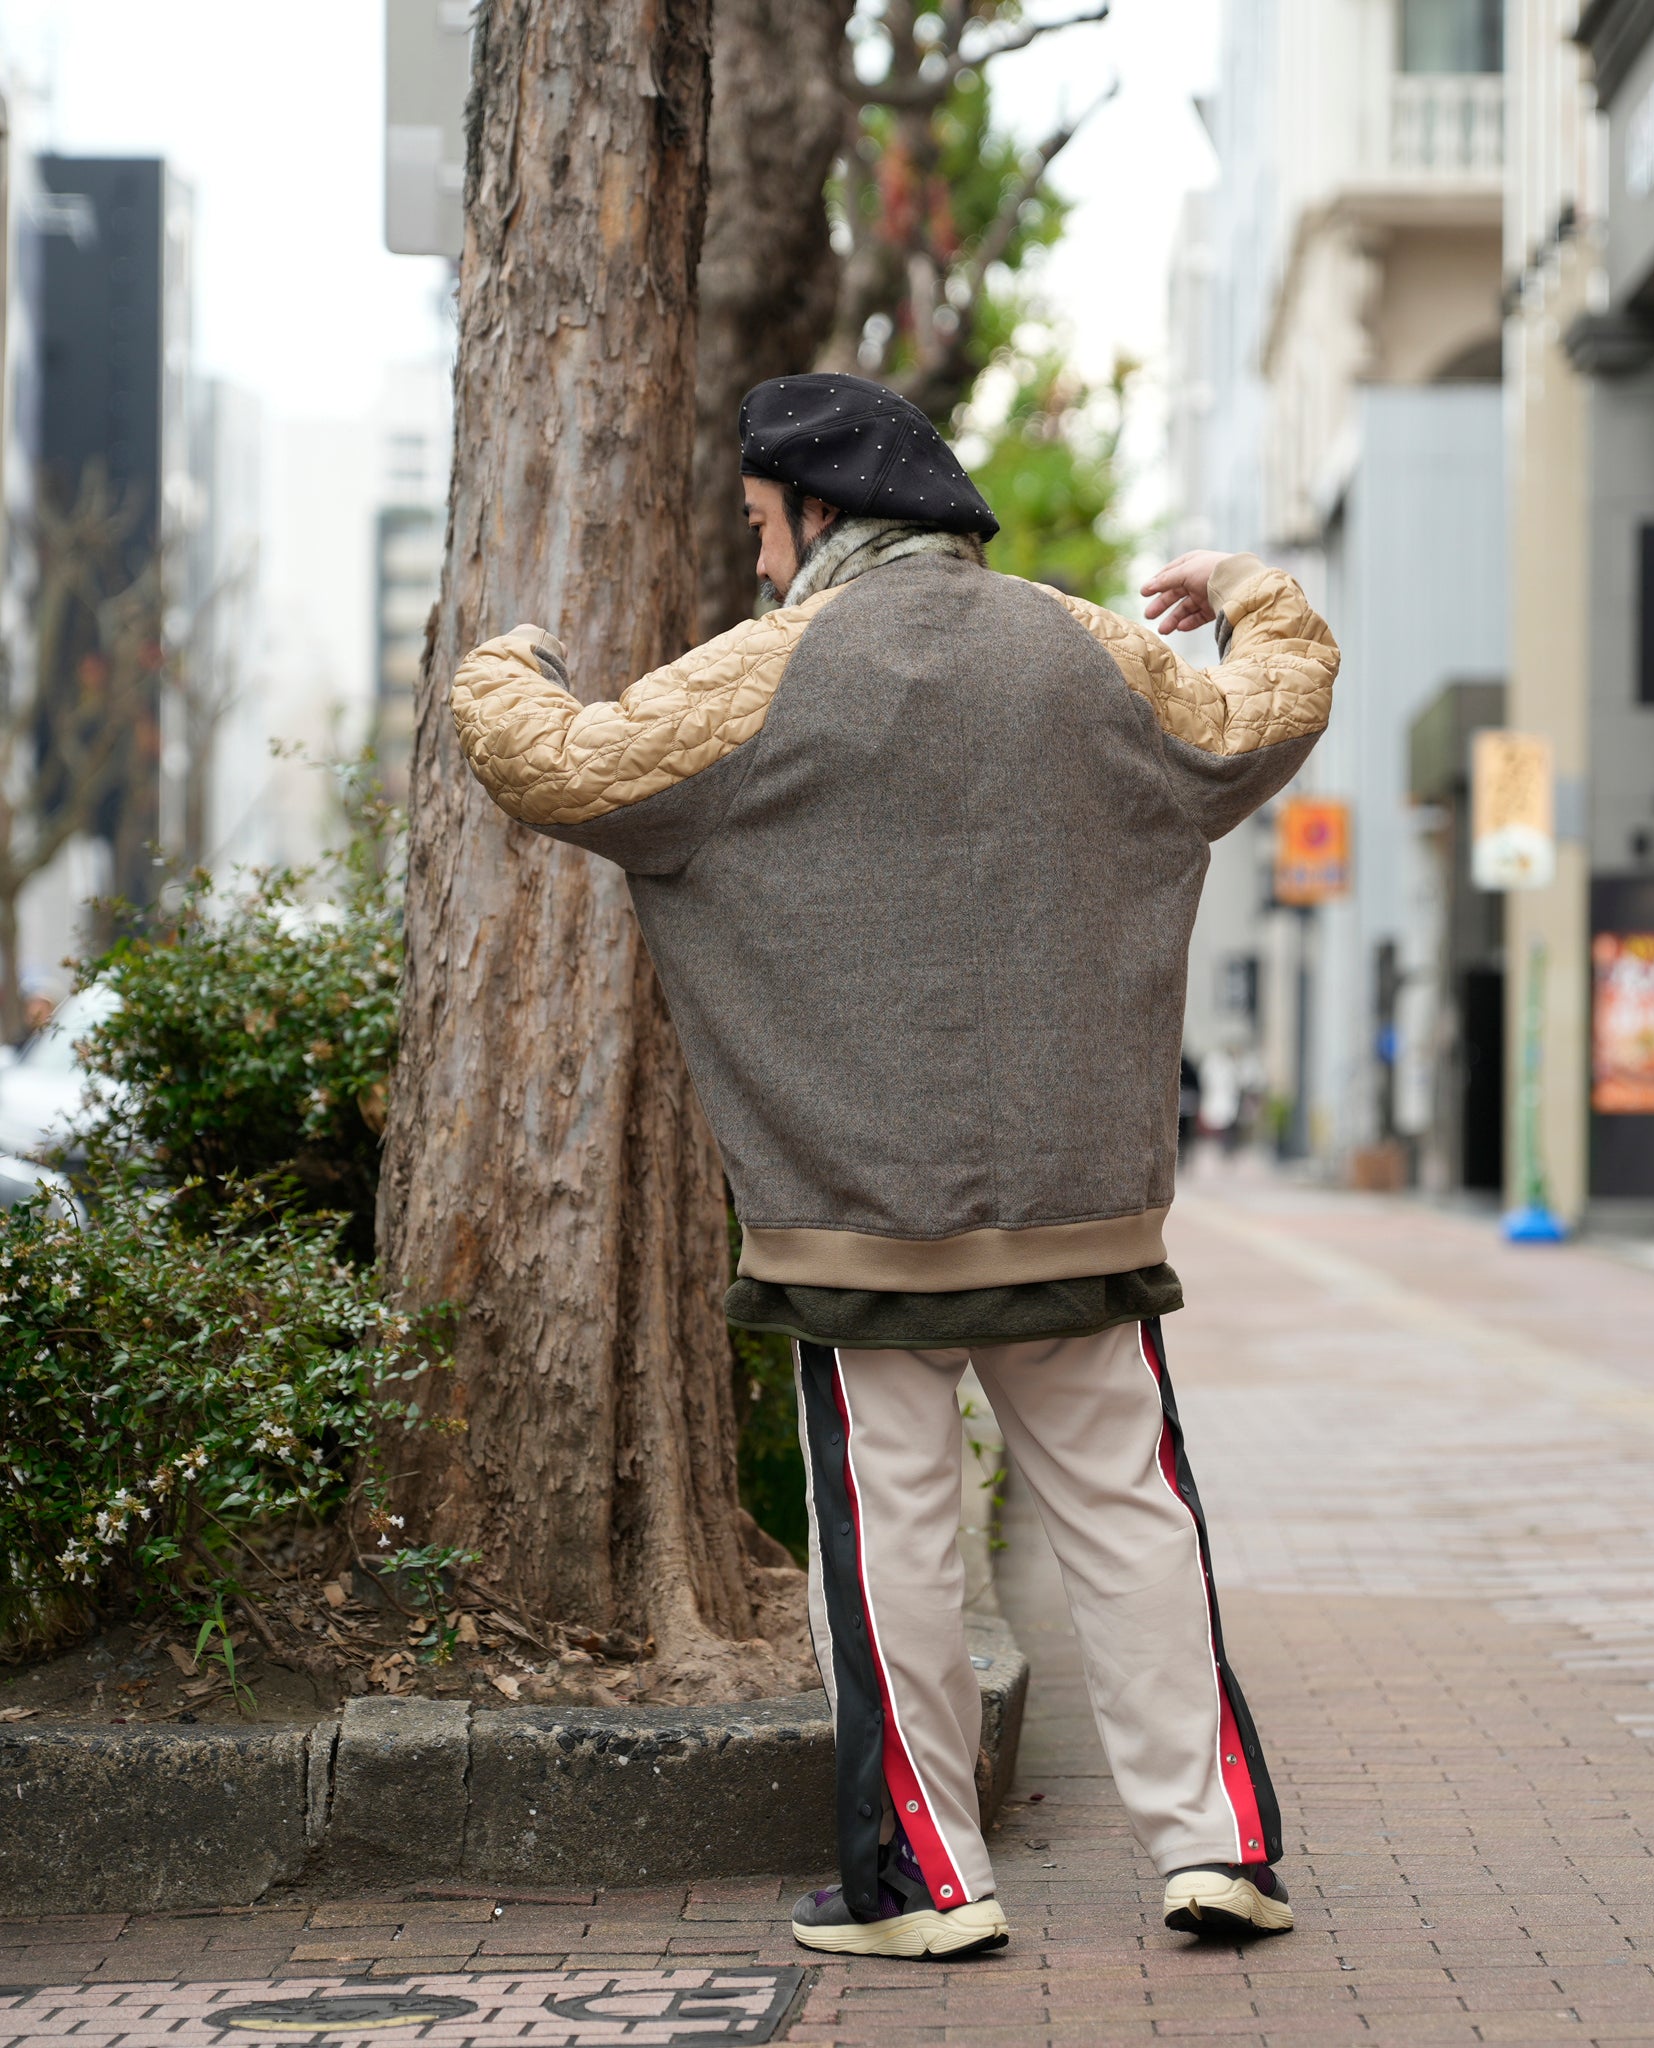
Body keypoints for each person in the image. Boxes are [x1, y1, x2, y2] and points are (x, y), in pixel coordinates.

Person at [450, 373, 1339, 1960]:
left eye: (759, 529)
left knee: (898, 1536)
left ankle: (931, 1884)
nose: (759, 562)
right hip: (1083, 1195)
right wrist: (1252, 588)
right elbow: (1262, 716)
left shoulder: (762, 673)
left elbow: (567, 770)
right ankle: (1220, 1852)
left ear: (818, 513)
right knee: (1134, 1515)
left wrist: (502, 657)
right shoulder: (1096, 649)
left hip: (857, 1215)